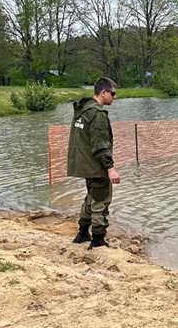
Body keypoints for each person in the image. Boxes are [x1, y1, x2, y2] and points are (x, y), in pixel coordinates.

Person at [67, 77, 120, 249]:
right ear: (103, 93)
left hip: (84, 164)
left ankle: (82, 233)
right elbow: (100, 146)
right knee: (101, 200)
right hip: (95, 166)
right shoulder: (97, 114)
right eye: (112, 93)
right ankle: (97, 239)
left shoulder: (82, 110)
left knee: (91, 198)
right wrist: (110, 168)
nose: (114, 97)